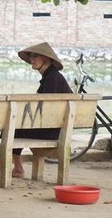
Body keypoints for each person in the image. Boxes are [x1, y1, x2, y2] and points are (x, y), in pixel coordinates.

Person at [13, 42, 72, 177]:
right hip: (55, 127)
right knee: (16, 126)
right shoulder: (51, 77)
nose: (31, 60)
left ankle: (16, 167)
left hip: (53, 130)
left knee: (13, 127)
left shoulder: (52, 79)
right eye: (31, 56)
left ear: (46, 58)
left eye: (34, 56)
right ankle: (10, 163)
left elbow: (45, 109)